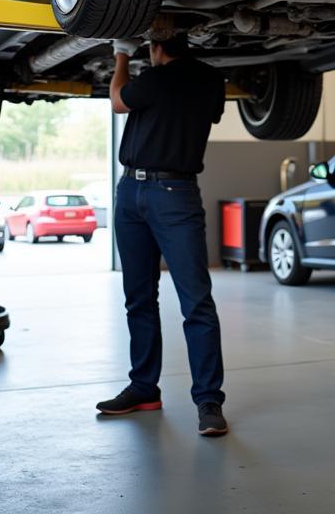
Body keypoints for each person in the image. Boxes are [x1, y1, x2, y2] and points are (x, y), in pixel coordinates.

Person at [96, 34, 229, 437]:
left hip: (144, 193)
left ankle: (191, 396)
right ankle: (172, 396)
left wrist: (121, 54)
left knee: (144, 297)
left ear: (156, 48)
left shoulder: (156, 78)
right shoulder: (210, 79)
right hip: (168, 192)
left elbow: (118, 99)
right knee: (194, 301)